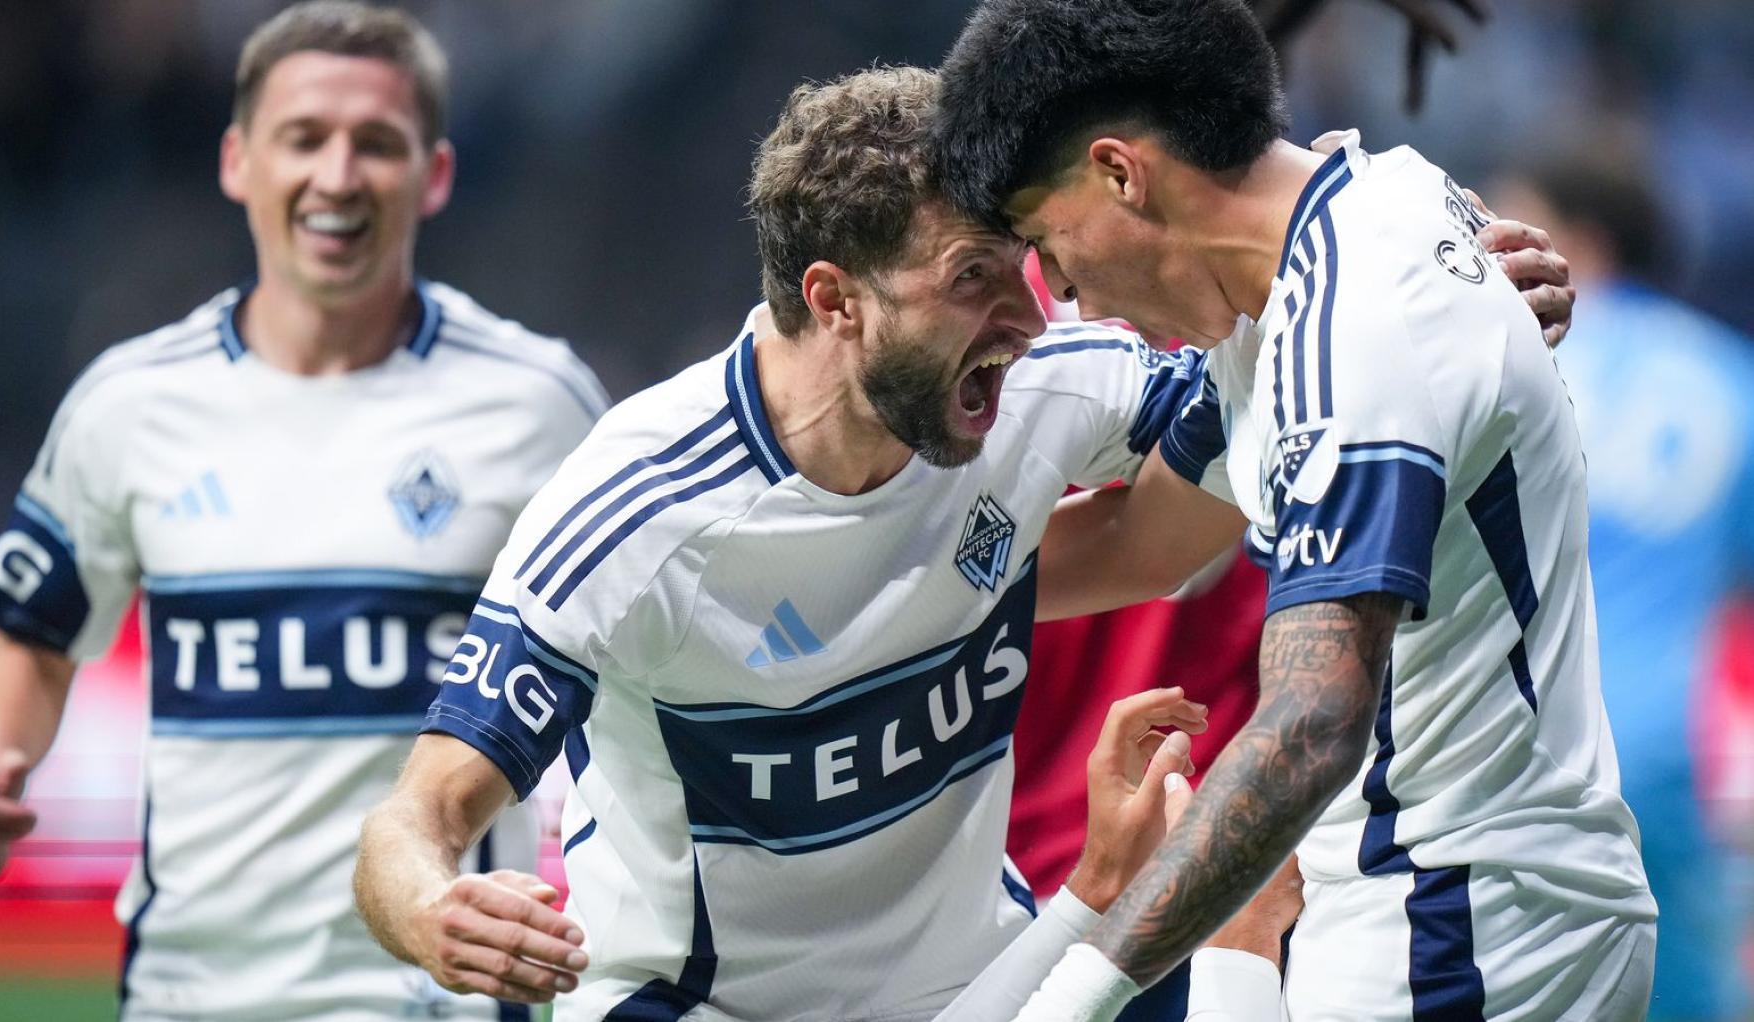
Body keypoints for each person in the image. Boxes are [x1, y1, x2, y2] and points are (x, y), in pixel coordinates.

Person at [354, 64, 1574, 1021]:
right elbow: (412, 820)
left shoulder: (1037, 381)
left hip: (984, 983)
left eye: (1028, 263)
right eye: (973, 276)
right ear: (834, 299)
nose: (1028, 311)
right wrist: (429, 909)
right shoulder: (636, 510)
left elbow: (1222, 450)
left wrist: (1422, 289)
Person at [930, 1, 1653, 1019]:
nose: (1072, 298)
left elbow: (1312, 719)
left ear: (1119, 173)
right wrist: (897, 594)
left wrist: (1073, 995)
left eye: (1051, 244)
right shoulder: (1333, 244)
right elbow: (1146, 540)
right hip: (1465, 902)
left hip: (1453, 925)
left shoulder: (1357, 316)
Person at [0, 4, 606, 1020]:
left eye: (375, 143)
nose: (336, 175)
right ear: (238, 161)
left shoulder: (538, 402)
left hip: (440, 998)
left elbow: (640, 648)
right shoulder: (130, 404)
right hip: (191, 996)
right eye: (304, 138)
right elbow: (30, 632)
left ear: (433, 173)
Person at [1489, 141, 1754, 1021]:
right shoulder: (1733, 380)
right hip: (1668, 757)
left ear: (1581, 246)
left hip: (1504, 744)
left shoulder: (1503, 353)